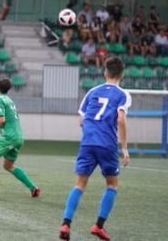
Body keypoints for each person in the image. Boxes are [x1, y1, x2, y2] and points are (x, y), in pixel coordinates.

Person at [59, 57, 131, 241]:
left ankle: (66, 224)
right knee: (112, 185)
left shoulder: (92, 91)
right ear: (122, 74)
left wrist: (92, 132)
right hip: (107, 144)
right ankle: (98, 226)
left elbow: (81, 120)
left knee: (80, 184)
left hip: (88, 143)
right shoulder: (123, 94)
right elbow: (121, 120)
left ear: (105, 72)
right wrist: (124, 148)